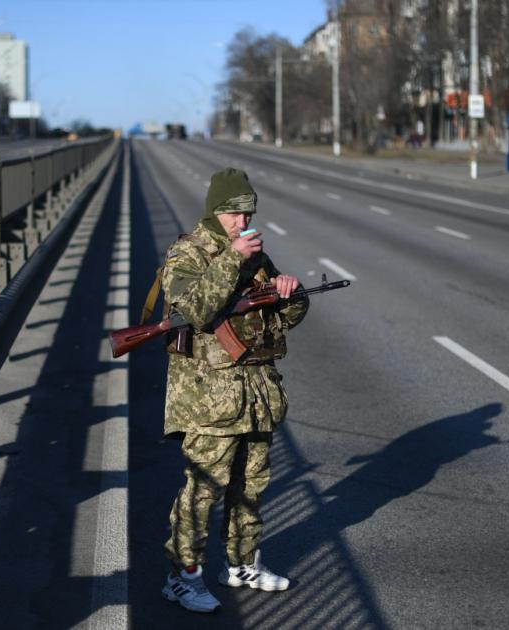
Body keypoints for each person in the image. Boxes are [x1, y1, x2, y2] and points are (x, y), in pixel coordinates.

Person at [159, 167, 309, 613]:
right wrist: (232, 258)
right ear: (216, 211)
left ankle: (242, 563)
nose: (243, 222)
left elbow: (283, 318)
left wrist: (290, 293)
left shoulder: (255, 256)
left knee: (251, 485)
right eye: (235, 214)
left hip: (257, 394)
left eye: (248, 213)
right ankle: (182, 577)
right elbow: (196, 310)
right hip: (209, 401)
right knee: (203, 489)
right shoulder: (187, 254)